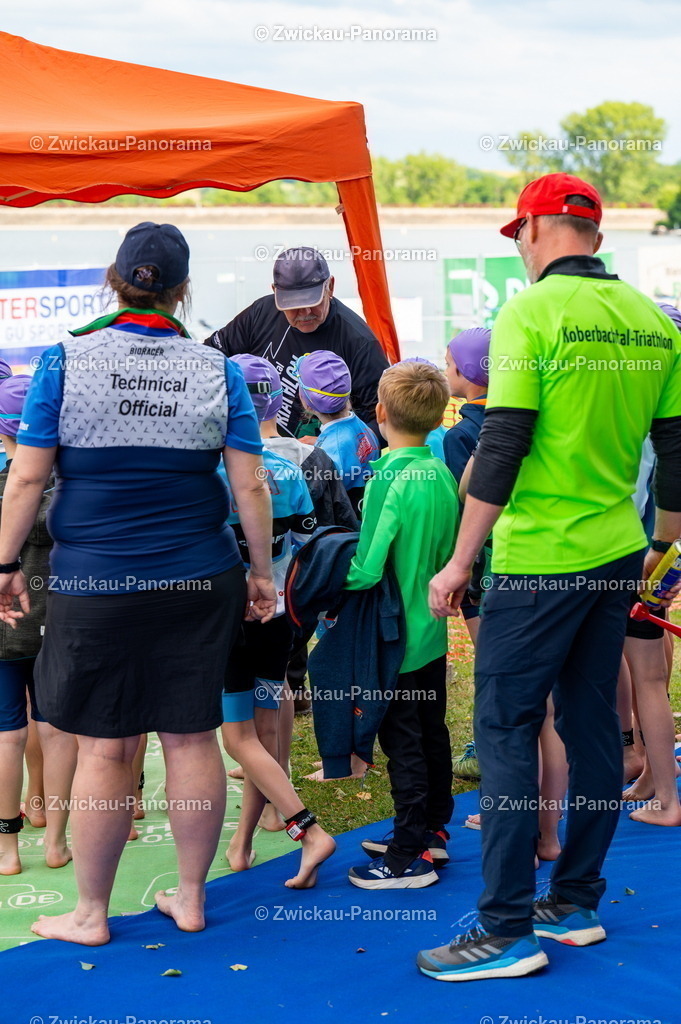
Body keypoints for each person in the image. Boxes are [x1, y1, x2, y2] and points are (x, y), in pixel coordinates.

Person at [421, 173, 681, 981]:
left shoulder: (527, 310)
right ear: (594, 236)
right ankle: (573, 902)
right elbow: (674, 453)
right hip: (614, 549)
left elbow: (502, 444)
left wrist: (460, 558)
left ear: (532, 230)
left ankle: (501, 930)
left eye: (517, 234)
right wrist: (662, 551)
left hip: (538, 561)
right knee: (593, 726)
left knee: (503, 728)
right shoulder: (650, 319)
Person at [0, 221, 277, 946]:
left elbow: (28, 474)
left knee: (105, 748)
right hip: (199, 576)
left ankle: (89, 913)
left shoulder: (64, 361)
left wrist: (3, 565)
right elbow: (249, 483)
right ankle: (188, 897)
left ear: (114, 279)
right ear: (181, 291)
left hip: (97, 584)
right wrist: (258, 569)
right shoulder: (215, 369)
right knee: (193, 739)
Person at [218, 355, 337, 881]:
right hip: (280, 618)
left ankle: (307, 830)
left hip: (231, 621)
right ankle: (241, 846)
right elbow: (308, 543)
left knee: (238, 739)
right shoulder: (291, 468)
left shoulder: (218, 469)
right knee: (262, 736)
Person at [343, 360, 460, 888]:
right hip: (432, 633)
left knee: (403, 745)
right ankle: (432, 831)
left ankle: (406, 856)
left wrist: (321, 578)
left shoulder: (386, 479)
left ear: (380, 412)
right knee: (431, 734)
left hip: (394, 640)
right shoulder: (440, 471)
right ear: (440, 417)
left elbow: (366, 568)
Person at [0, 374, 77, 874]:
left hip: (6, 623)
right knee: (57, 730)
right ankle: (55, 840)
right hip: (61, 620)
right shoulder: (70, 483)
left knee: (7, 735)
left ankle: (7, 849)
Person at [205, 247, 389, 439]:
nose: (305, 313)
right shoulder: (261, 313)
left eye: (313, 301)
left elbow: (385, 420)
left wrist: (328, 443)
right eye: (293, 305)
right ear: (275, 292)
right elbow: (210, 358)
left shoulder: (359, 342)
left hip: (320, 462)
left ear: (330, 287)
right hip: (254, 444)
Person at [296, 350, 380, 518]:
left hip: (347, 531)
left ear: (308, 404)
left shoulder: (331, 453)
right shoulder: (359, 425)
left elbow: (324, 503)